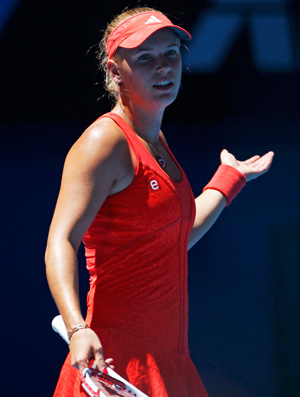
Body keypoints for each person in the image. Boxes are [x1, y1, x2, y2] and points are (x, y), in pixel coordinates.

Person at [45, 7, 274, 397]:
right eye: (145, 58)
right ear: (116, 72)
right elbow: (60, 241)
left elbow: (172, 241)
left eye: (171, 53)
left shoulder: (157, 141)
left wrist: (228, 179)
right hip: (115, 359)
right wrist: (78, 327)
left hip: (169, 359)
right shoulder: (105, 143)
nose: (164, 67)